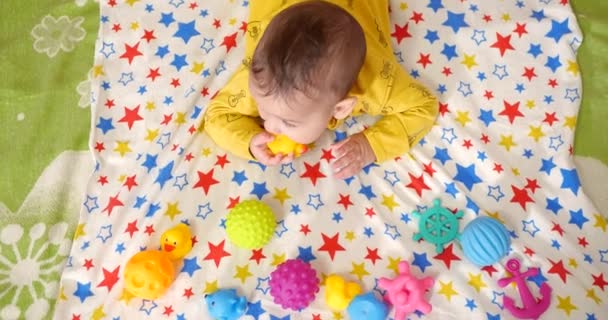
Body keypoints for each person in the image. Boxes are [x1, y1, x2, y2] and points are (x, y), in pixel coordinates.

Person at [203, 0, 438, 179]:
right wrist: (249, 141)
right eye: (263, 111)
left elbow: (424, 106)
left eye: (290, 122)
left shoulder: (380, 84)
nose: (270, 126)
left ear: (341, 108)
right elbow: (217, 116)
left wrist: (370, 145)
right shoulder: (263, 78)